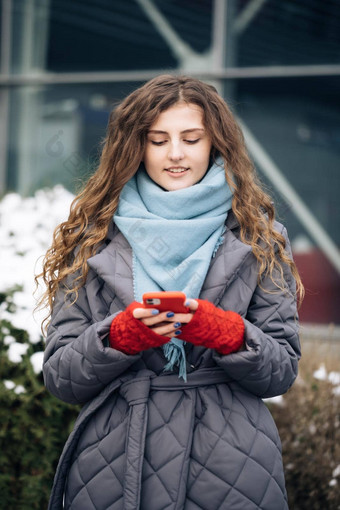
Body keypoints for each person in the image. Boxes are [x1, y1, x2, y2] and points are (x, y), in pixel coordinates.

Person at [38, 74, 303, 510]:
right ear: (136, 146)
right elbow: (61, 377)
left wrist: (228, 334)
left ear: (215, 143)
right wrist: (116, 339)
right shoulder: (92, 236)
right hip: (113, 461)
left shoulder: (261, 237)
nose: (175, 154)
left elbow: (281, 371)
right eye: (157, 140)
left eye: (191, 138)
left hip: (229, 465)